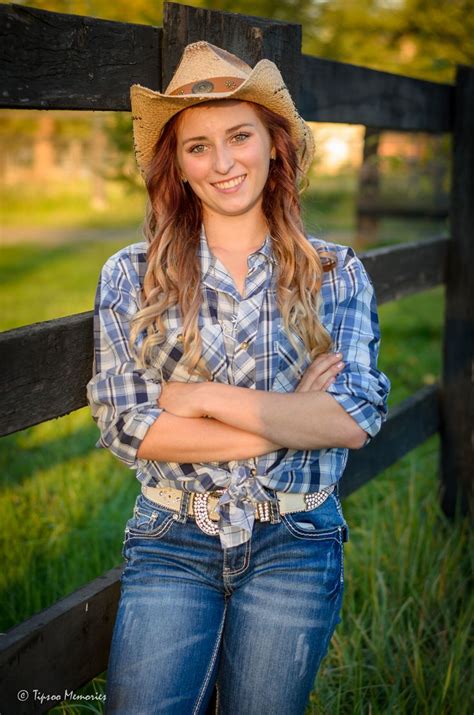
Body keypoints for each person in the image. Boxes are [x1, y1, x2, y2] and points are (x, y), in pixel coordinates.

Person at [87, 41, 390, 715]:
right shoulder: (132, 275)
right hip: (172, 537)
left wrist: (199, 400)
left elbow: (351, 418)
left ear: (274, 145)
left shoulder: (334, 272)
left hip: (296, 539)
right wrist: (288, 416)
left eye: (239, 136)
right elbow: (128, 426)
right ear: (178, 165)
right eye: (198, 146)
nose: (223, 163)